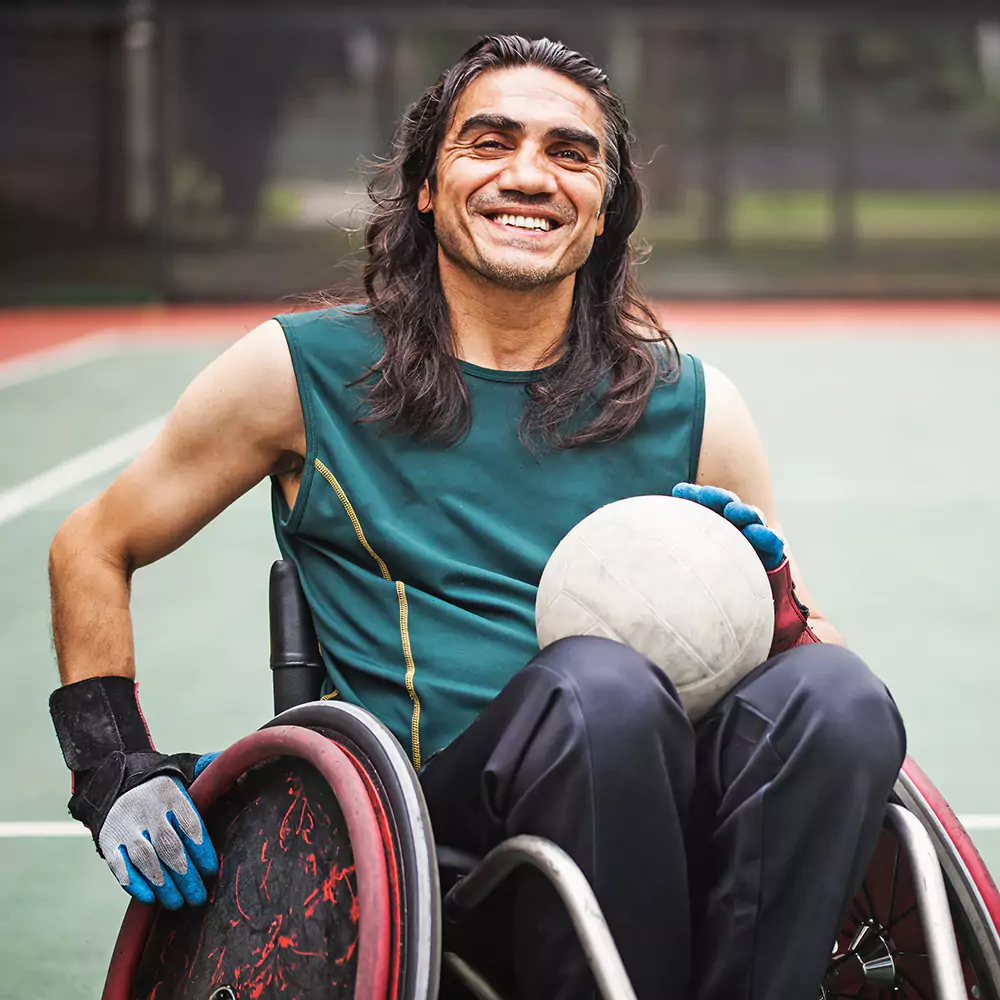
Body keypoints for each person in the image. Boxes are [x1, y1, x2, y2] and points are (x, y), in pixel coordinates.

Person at [47, 35, 905, 1000]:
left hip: (673, 819)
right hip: (431, 836)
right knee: (601, 691)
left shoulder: (694, 405)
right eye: (490, 142)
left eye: (570, 154)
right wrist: (113, 765)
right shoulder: (302, 372)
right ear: (426, 187)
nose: (529, 176)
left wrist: (782, 613)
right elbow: (93, 544)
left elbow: (800, 658)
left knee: (841, 697)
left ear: (604, 209)